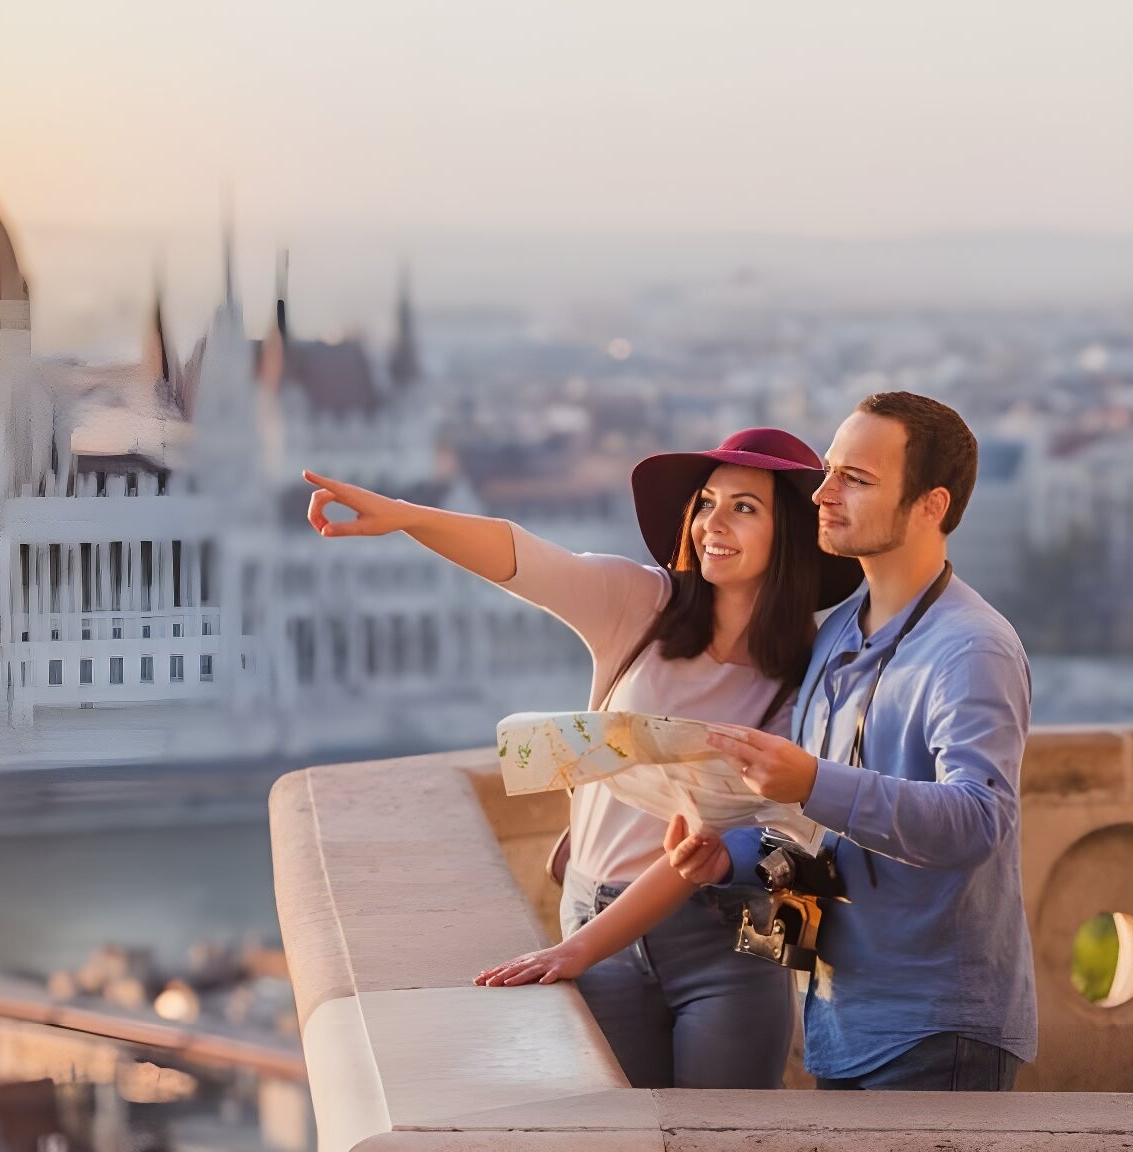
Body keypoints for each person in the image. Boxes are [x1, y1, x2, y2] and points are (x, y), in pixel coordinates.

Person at [302, 428, 860, 1090]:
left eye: (745, 507)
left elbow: (713, 847)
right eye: (707, 501)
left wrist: (576, 951)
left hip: (730, 934)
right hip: (596, 912)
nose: (713, 522)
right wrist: (405, 516)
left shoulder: (809, 675)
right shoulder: (641, 603)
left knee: (721, 1136)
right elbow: (523, 558)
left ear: (791, 534)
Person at [673, 392, 1036, 1091]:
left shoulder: (972, 648)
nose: (823, 493)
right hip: (840, 1017)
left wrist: (811, 781)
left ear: (931, 506)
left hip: (937, 1028)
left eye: (856, 480)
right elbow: (817, 825)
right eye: (831, 470)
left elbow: (979, 820)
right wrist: (731, 853)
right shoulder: (839, 629)